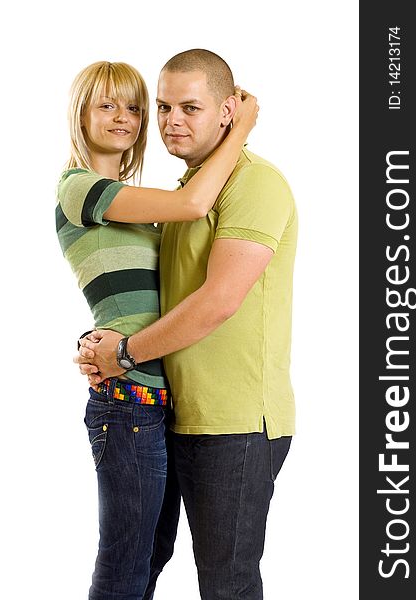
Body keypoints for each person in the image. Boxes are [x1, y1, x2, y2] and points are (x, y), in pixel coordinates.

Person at [76, 50, 298, 600]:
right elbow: (148, 291)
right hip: (175, 409)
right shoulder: (183, 197)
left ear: (227, 110)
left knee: (227, 584)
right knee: (143, 559)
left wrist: (122, 353)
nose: (172, 119)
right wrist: (103, 335)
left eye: (191, 107)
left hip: (236, 419)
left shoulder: (254, 183)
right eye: (166, 106)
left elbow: (219, 300)